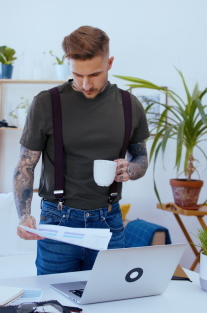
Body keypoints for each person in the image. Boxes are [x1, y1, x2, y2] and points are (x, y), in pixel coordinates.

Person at [13, 26, 150, 275]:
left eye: (95, 74)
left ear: (110, 63)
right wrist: (24, 216)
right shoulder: (46, 103)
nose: (86, 84)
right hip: (57, 220)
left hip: (109, 221)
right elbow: (25, 166)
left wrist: (131, 169)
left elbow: (141, 157)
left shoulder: (130, 105)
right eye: (77, 75)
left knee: (108, 301)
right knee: (52, 302)